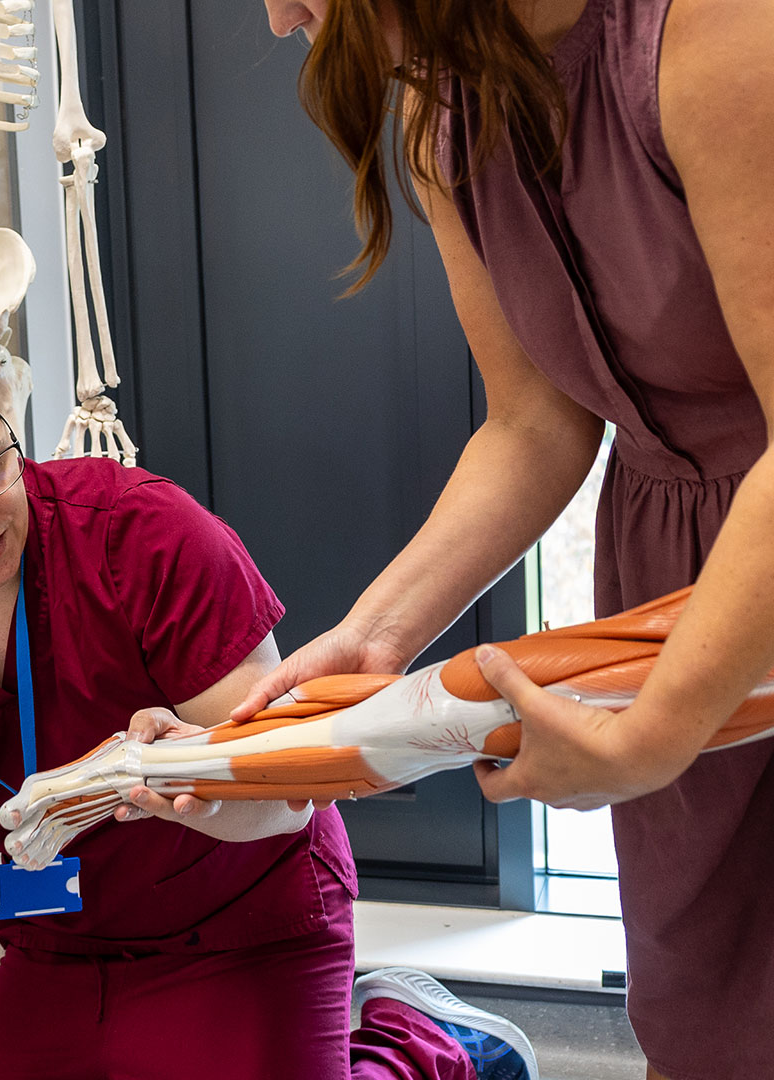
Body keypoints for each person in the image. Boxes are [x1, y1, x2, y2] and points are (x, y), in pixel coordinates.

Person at [0, 333, 537, 1080]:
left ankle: (422, 1045)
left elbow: (287, 805)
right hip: (57, 935)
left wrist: (180, 785)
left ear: (3, 422)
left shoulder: (145, 536)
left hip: (244, 914)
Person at [246, 0, 774, 1075]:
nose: (278, 17)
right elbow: (536, 421)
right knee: (706, 1003)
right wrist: (375, 639)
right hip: (670, 567)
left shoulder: (714, 35)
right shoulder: (444, 110)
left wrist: (655, 730)